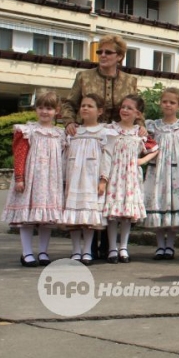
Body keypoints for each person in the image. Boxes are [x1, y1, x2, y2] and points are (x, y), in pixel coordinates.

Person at [61, 34, 141, 260]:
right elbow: (70, 103)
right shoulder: (84, 77)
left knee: (110, 191)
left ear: (120, 57)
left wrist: (141, 126)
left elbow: (135, 107)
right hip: (89, 138)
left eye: (108, 52)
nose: (103, 56)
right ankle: (88, 247)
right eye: (100, 52)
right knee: (91, 191)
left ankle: (110, 246)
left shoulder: (129, 80)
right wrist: (69, 122)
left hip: (116, 140)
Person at [1, 91, 65, 267]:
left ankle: (43, 251)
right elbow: (20, 155)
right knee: (27, 219)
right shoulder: (28, 131)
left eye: (49, 108)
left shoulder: (60, 134)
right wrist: (20, 177)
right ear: (36, 109)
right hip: (31, 179)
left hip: (50, 181)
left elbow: (62, 158)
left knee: (46, 220)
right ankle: (27, 252)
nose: (44, 112)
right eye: (41, 107)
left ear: (56, 111)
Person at [99, 95, 158, 264]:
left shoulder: (139, 132)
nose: (124, 110)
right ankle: (112, 248)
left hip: (131, 176)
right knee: (113, 214)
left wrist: (142, 160)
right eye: (123, 106)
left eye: (129, 108)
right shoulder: (110, 129)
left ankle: (123, 247)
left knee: (126, 214)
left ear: (138, 114)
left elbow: (155, 148)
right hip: (114, 174)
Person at [141, 87, 179, 260]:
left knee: (173, 203)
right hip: (158, 169)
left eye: (172, 102)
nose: (168, 105)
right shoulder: (153, 126)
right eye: (165, 101)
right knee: (159, 202)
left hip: (176, 170)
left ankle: (170, 246)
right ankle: (160, 245)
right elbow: (146, 145)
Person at [62, 94, 112, 265]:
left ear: (100, 111)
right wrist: (63, 179)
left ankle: (87, 251)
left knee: (89, 218)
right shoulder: (72, 132)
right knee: (74, 216)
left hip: (92, 179)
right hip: (74, 177)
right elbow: (64, 156)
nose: (84, 108)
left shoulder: (104, 132)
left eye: (89, 106)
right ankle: (76, 250)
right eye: (83, 105)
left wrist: (103, 179)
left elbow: (108, 157)